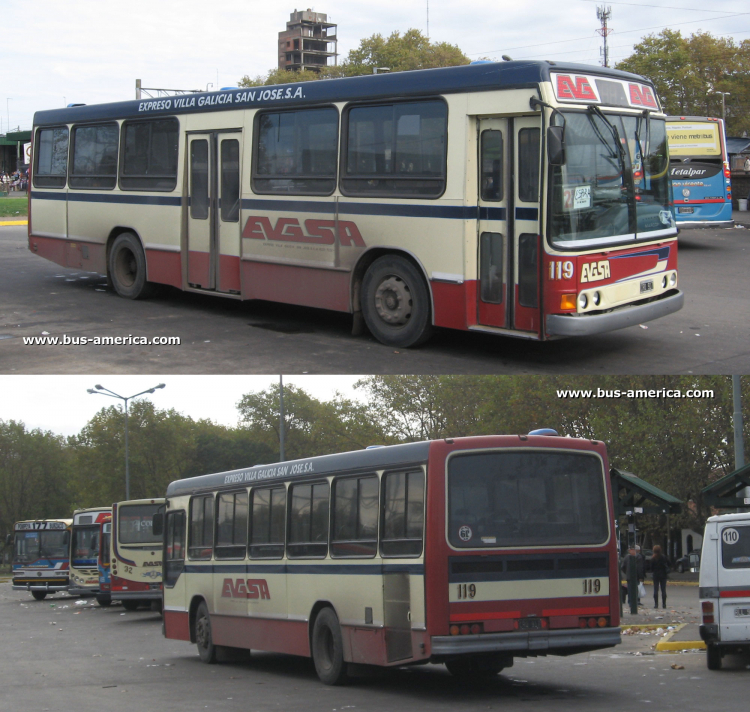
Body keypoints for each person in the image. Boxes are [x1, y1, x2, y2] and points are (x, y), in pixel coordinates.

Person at [650, 544, 671, 608]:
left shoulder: (653, 558)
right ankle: (664, 604)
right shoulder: (663, 557)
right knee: (663, 590)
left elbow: (650, 568)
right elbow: (669, 563)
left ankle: (656, 604)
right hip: (663, 575)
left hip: (656, 575)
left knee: (656, 590)